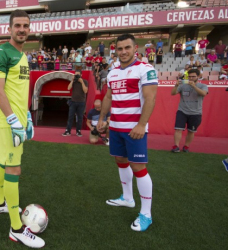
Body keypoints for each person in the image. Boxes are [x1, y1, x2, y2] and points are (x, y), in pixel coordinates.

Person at [0, 9, 45, 248]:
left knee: (4, 164)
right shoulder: (1, 53)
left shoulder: (23, 55)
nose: (22, 29)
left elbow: (18, 93)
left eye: (25, 26)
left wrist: (28, 119)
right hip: (7, 123)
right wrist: (13, 121)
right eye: (17, 25)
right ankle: (16, 228)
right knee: (14, 169)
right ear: (9, 28)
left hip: (18, 122)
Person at [96, 33, 158, 232]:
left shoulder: (145, 69)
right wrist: (103, 118)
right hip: (115, 127)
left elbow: (150, 99)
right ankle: (128, 198)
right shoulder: (113, 72)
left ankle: (146, 214)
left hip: (134, 130)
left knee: (139, 167)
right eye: (119, 49)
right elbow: (108, 97)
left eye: (127, 48)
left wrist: (141, 125)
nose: (123, 52)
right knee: (121, 161)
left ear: (135, 48)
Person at [171, 69, 208, 153]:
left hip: (196, 112)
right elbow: (172, 93)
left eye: (193, 76)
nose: (191, 78)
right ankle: (176, 146)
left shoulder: (203, 86)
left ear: (198, 77)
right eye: (189, 76)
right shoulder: (183, 85)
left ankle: (186, 146)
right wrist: (176, 86)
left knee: (191, 131)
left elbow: (203, 94)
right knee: (178, 129)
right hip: (182, 110)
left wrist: (194, 86)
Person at [62, 69, 88, 137]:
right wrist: (72, 80)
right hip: (73, 102)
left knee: (80, 117)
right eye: (75, 74)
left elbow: (85, 91)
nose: (77, 76)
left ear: (81, 75)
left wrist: (82, 82)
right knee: (70, 117)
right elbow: (68, 88)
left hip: (81, 102)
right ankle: (68, 131)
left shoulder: (85, 81)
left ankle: (78, 131)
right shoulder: (73, 82)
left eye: (78, 74)